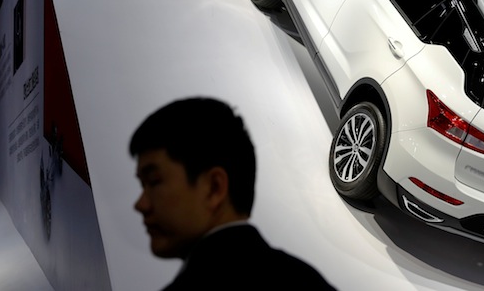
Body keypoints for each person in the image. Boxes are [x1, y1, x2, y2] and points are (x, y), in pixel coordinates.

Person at [129, 97, 338, 290]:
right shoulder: (305, 278)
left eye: (154, 182)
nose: (140, 204)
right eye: (142, 185)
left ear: (214, 188)